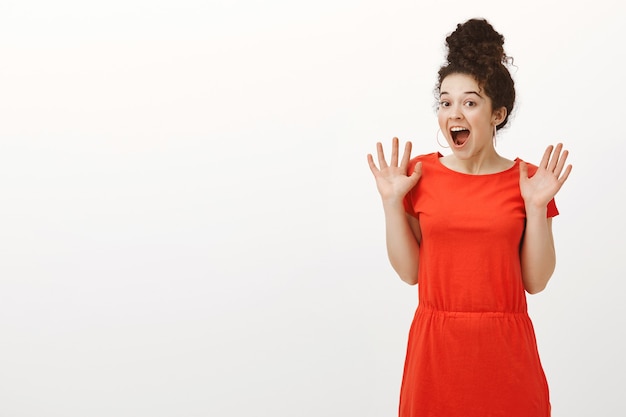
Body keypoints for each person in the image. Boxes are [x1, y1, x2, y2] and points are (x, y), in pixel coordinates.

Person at [367, 18, 572, 417]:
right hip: (436, 354)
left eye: (470, 102)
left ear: (497, 114)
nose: (453, 113)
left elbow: (537, 281)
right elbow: (411, 273)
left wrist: (535, 207)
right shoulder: (419, 175)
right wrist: (392, 204)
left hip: (505, 356)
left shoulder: (530, 181)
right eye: (445, 102)